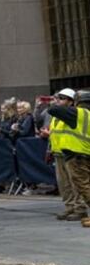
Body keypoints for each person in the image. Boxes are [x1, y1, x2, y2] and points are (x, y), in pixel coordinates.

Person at [43, 88, 89, 222]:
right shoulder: (58, 117)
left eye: (61, 98)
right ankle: (70, 207)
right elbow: (56, 133)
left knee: (77, 184)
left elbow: (52, 109)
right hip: (60, 152)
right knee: (64, 184)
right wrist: (49, 149)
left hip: (74, 152)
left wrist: (51, 103)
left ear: (71, 102)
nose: (58, 101)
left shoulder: (73, 113)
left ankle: (79, 208)